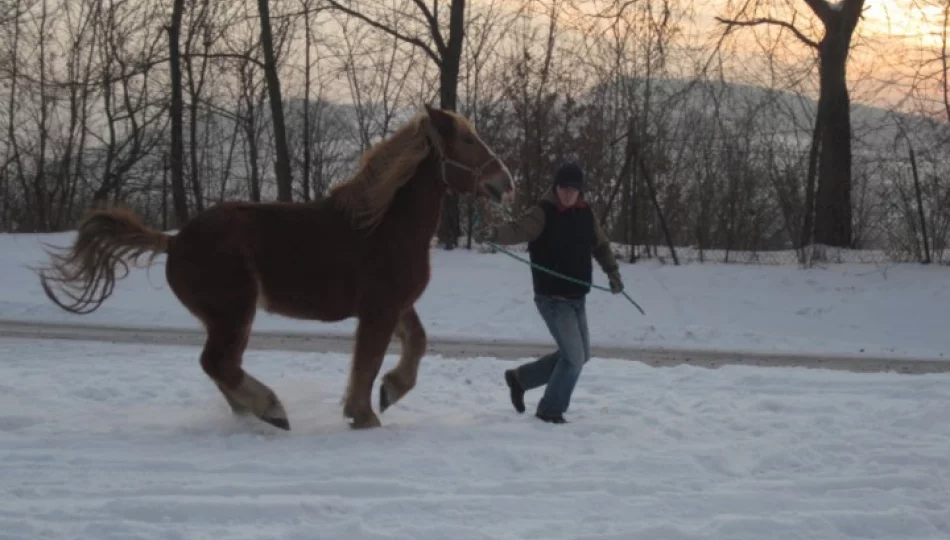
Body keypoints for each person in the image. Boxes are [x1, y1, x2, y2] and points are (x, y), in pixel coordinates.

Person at [475, 162, 624, 424]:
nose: (568, 193)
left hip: (577, 298)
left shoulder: (586, 214)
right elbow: (519, 229)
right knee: (574, 359)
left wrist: (613, 273)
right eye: (563, 188)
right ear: (556, 187)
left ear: (580, 191)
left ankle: (520, 379)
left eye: (573, 189)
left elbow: (600, 245)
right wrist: (493, 233)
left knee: (580, 356)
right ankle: (550, 410)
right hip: (553, 299)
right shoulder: (542, 213)